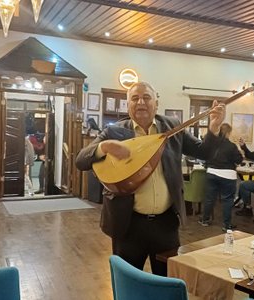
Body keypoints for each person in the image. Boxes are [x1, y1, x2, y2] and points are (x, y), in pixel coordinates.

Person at [75, 81, 225, 276]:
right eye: (134, 98)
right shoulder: (114, 132)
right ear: (127, 105)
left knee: (166, 284)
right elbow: (80, 161)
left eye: (146, 97)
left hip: (166, 224)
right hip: (128, 224)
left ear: (156, 103)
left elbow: (204, 152)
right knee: (127, 283)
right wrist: (103, 147)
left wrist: (214, 128)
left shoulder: (172, 127)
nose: (141, 103)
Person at [198, 123, 243, 231]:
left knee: (209, 198)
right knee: (227, 200)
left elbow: (205, 156)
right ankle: (226, 225)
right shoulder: (231, 146)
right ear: (228, 133)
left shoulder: (212, 144)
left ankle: (205, 219)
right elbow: (239, 160)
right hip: (228, 175)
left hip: (212, 173)